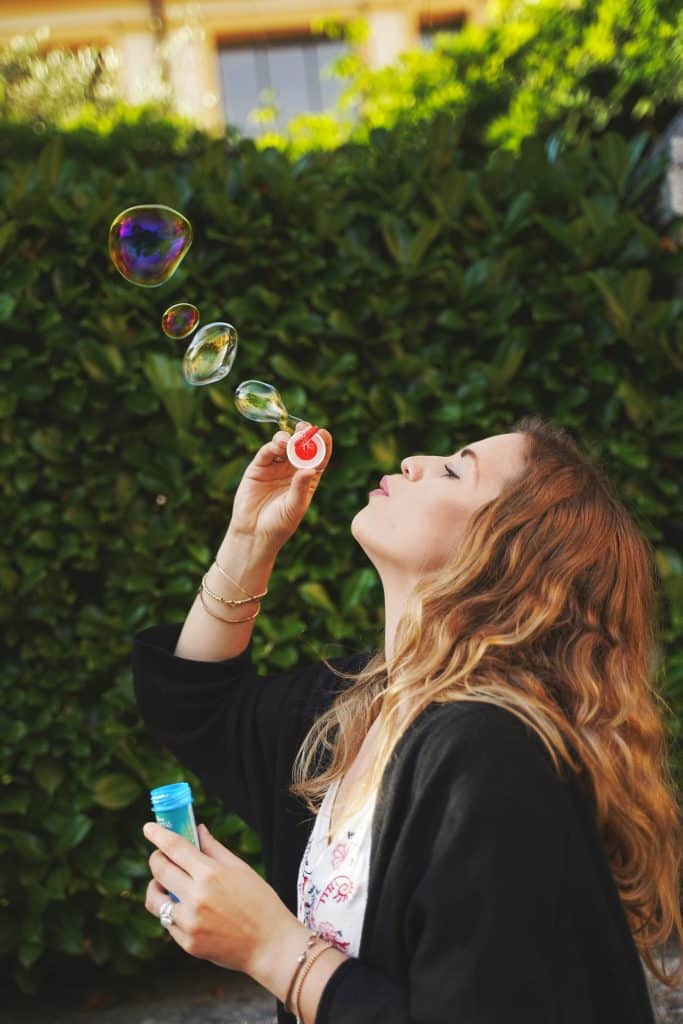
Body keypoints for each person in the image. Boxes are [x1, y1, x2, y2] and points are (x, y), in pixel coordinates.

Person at [132, 414, 682, 1024]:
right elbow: (194, 704)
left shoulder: (491, 754)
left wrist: (273, 949)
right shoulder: (355, 710)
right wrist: (249, 539)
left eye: (454, 469)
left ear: (507, 552)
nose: (415, 460)